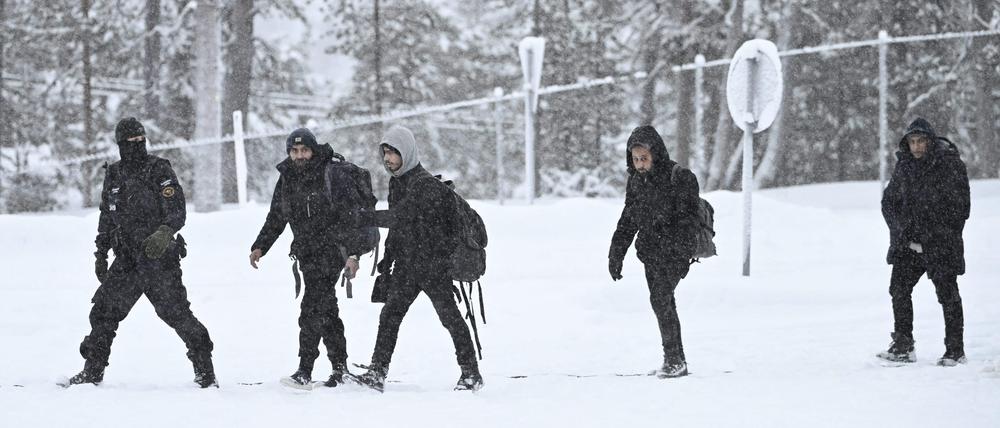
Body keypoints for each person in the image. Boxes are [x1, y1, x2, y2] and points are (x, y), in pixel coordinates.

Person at [68, 117, 216, 388]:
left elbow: (177, 210)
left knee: (176, 313)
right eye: (130, 142)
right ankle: (93, 372)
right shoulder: (114, 174)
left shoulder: (159, 169)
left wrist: (164, 232)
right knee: (103, 312)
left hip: (158, 259)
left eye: (140, 140)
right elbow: (106, 217)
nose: (137, 146)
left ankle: (205, 371)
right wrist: (101, 253)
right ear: (120, 144)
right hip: (127, 260)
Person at [356, 125, 483, 392]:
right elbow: (400, 228)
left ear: (408, 152)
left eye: (394, 153)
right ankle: (377, 373)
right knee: (390, 316)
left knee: (449, 317)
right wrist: (388, 259)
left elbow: (401, 217)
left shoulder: (424, 185)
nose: (388, 159)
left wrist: (364, 217)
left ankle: (471, 373)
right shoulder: (397, 182)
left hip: (432, 266)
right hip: (407, 265)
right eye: (386, 153)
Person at [250, 128, 367, 388]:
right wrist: (261, 246)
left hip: (332, 251)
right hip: (307, 253)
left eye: (304, 150)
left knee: (312, 308)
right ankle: (340, 368)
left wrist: (353, 254)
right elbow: (277, 216)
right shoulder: (288, 177)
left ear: (313, 150)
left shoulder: (331, 173)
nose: (300, 155)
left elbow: (351, 217)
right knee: (326, 310)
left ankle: (305, 370)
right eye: (295, 151)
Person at [608, 125, 701, 378]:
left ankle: (674, 359)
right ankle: (675, 360)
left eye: (644, 158)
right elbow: (628, 220)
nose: (640, 164)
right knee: (664, 302)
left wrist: (681, 255)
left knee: (660, 298)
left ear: (656, 154)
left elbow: (688, 221)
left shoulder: (680, 178)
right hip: (651, 253)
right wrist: (616, 254)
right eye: (635, 159)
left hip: (674, 253)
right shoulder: (636, 182)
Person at [878, 118, 970, 366]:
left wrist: (937, 231)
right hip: (909, 245)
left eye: (921, 142)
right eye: (912, 142)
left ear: (930, 141)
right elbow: (889, 202)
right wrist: (902, 231)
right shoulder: (904, 166)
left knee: (947, 295)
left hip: (940, 244)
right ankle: (903, 345)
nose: (916, 147)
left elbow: (960, 207)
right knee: (898, 289)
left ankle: (955, 350)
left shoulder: (949, 164)